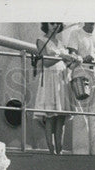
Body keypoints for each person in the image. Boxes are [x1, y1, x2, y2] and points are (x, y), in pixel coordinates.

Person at [65, 23, 95, 155]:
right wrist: (83, 59)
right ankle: (81, 151)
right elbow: (71, 56)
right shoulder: (76, 33)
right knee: (81, 115)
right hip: (81, 74)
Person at [33, 23, 72, 154]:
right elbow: (46, 62)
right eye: (51, 23)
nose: (54, 26)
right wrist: (62, 56)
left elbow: (67, 64)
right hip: (50, 79)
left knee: (60, 117)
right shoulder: (41, 41)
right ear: (46, 25)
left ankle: (59, 150)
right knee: (50, 116)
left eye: (57, 23)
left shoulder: (61, 43)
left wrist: (75, 60)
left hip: (61, 79)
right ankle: (51, 150)